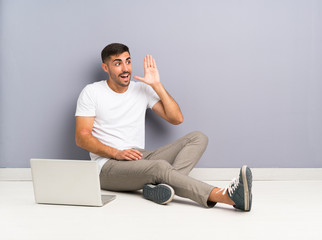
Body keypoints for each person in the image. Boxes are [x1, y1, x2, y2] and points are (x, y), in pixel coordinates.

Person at [75, 43, 253, 211]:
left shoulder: (141, 89)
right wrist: (116, 153)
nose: (125, 68)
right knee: (159, 167)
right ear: (105, 68)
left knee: (198, 138)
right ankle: (226, 196)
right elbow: (82, 137)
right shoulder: (92, 92)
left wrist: (157, 85)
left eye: (128, 61)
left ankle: (163, 188)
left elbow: (176, 118)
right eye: (117, 63)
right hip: (106, 166)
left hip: (139, 157)